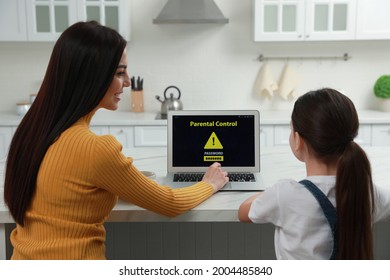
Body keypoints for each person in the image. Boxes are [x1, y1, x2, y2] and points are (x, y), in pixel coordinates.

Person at [4, 21, 228, 260]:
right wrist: (210, 183)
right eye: (120, 73)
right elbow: (170, 203)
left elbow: (65, 191)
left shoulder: (30, 132)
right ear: (92, 76)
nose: (129, 82)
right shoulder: (96, 149)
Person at [238, 88, 390, 260]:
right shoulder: (368, 193)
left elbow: (243, 212)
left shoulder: (285, 193)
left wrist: (268, 191)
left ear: (298, 141)